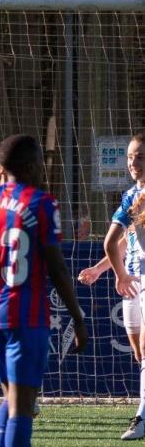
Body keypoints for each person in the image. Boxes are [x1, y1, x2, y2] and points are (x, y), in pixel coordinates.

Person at [0, 134, 87, 447]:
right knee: (22, 406)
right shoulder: (41, 203)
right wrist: (77, 316)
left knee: (10, 399)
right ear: (32, 167)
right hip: (25, 316)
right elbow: (56, 267)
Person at [103, 132, 145, 440]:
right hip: (134, 279)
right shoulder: (132, 195)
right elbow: (116, 244)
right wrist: (111, 271)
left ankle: (141, 416)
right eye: (130, 156)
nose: (133, 162)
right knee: (139, 353)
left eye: (140, 156)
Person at [78, 230, 140, 362]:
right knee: (140, 353)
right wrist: (97, 269)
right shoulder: (130, 212)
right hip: (132, 287)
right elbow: (124, 244)